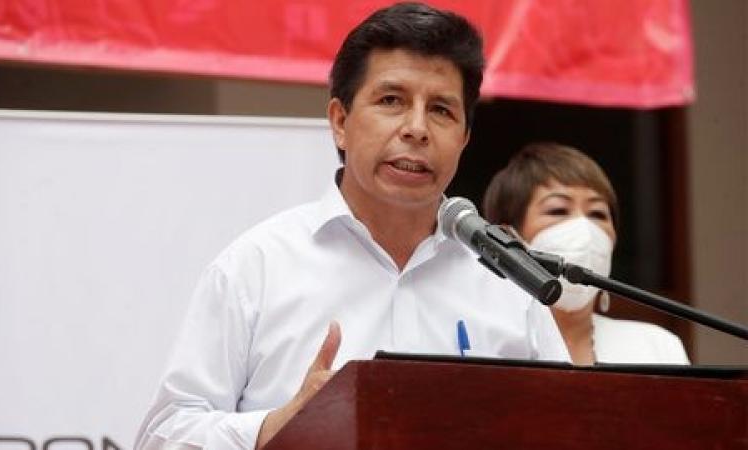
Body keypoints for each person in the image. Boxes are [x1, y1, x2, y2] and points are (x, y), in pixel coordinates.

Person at [135, 4, 569, 450]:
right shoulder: (259, 265)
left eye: (441, 110)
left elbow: (569, 425)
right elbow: (163, 436)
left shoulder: (503, 279)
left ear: (463, 139)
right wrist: (276, 426)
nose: (417, 129)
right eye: (391, 101)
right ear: (340, 122)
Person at [483, 142, 690, 365]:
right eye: (558, 210)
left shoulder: (658, 348)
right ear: (508, 236)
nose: (584, 228)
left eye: (598, 214)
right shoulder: (483, 344)